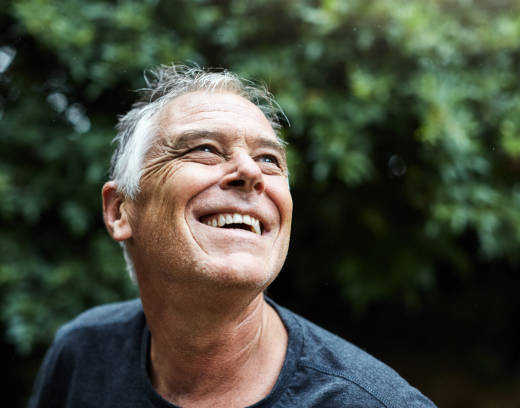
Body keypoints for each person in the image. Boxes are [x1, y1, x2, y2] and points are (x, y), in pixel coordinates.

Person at [28, 65, 436, 408]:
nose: (251, 172)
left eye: (269, 159)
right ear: (120, 211)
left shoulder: (370, 402)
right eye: (205, 149)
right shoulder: (82, 355)